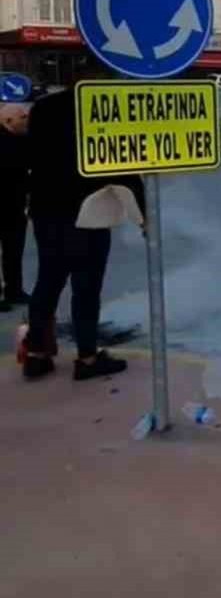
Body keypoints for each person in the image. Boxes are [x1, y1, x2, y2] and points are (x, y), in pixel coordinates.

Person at [22, 78, 145, 382]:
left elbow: (31, 155)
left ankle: (37, 355)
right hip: (87, 211)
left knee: (48, 280)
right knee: (86, 288)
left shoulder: (43, 107)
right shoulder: (103, 108)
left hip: (45, 208)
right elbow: (122, 163)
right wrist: (144, 216)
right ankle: (87, 358)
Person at [0, 102, 30, 312]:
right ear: (8, 121)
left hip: (15, 207)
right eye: (22, 117)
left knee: (14, 251)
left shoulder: (22, 139)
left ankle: (15, 290)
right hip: (5, 204)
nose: (26, 119)